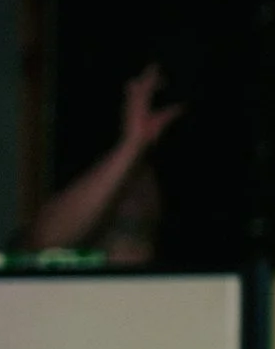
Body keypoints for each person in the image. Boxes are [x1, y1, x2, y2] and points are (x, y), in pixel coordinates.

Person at [21, 63, 181, 264]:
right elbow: (43, 244)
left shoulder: (190, 281)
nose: (130, 184)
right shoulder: (64, 276)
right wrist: (131, 145)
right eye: (124, 175)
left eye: (139, 173)